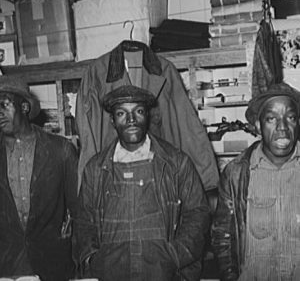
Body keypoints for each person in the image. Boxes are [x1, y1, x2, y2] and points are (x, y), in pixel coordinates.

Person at [75, 85, 211, 281]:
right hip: (110, 273)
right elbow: (83, 221)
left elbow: (197, 215)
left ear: (147, 115)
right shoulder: (96, 169)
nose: (131, 120)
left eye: (138, 111)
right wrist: (92, 260)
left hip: (164, 273)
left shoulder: (175, 163)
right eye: (122, 113)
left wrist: (174, 257)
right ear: (112, 120)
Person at [211, 82, 300, 281]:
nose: (282, 127)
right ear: (259, 126)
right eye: (271, 119)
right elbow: (223, 237)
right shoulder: (236, 173)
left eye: (291, 117)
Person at [0, 77, 78, 281]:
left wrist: (84, 262)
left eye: (4, 104)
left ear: (24, 106)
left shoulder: (61, 150)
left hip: (53, 265)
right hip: (6, 267)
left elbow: (81, 214)